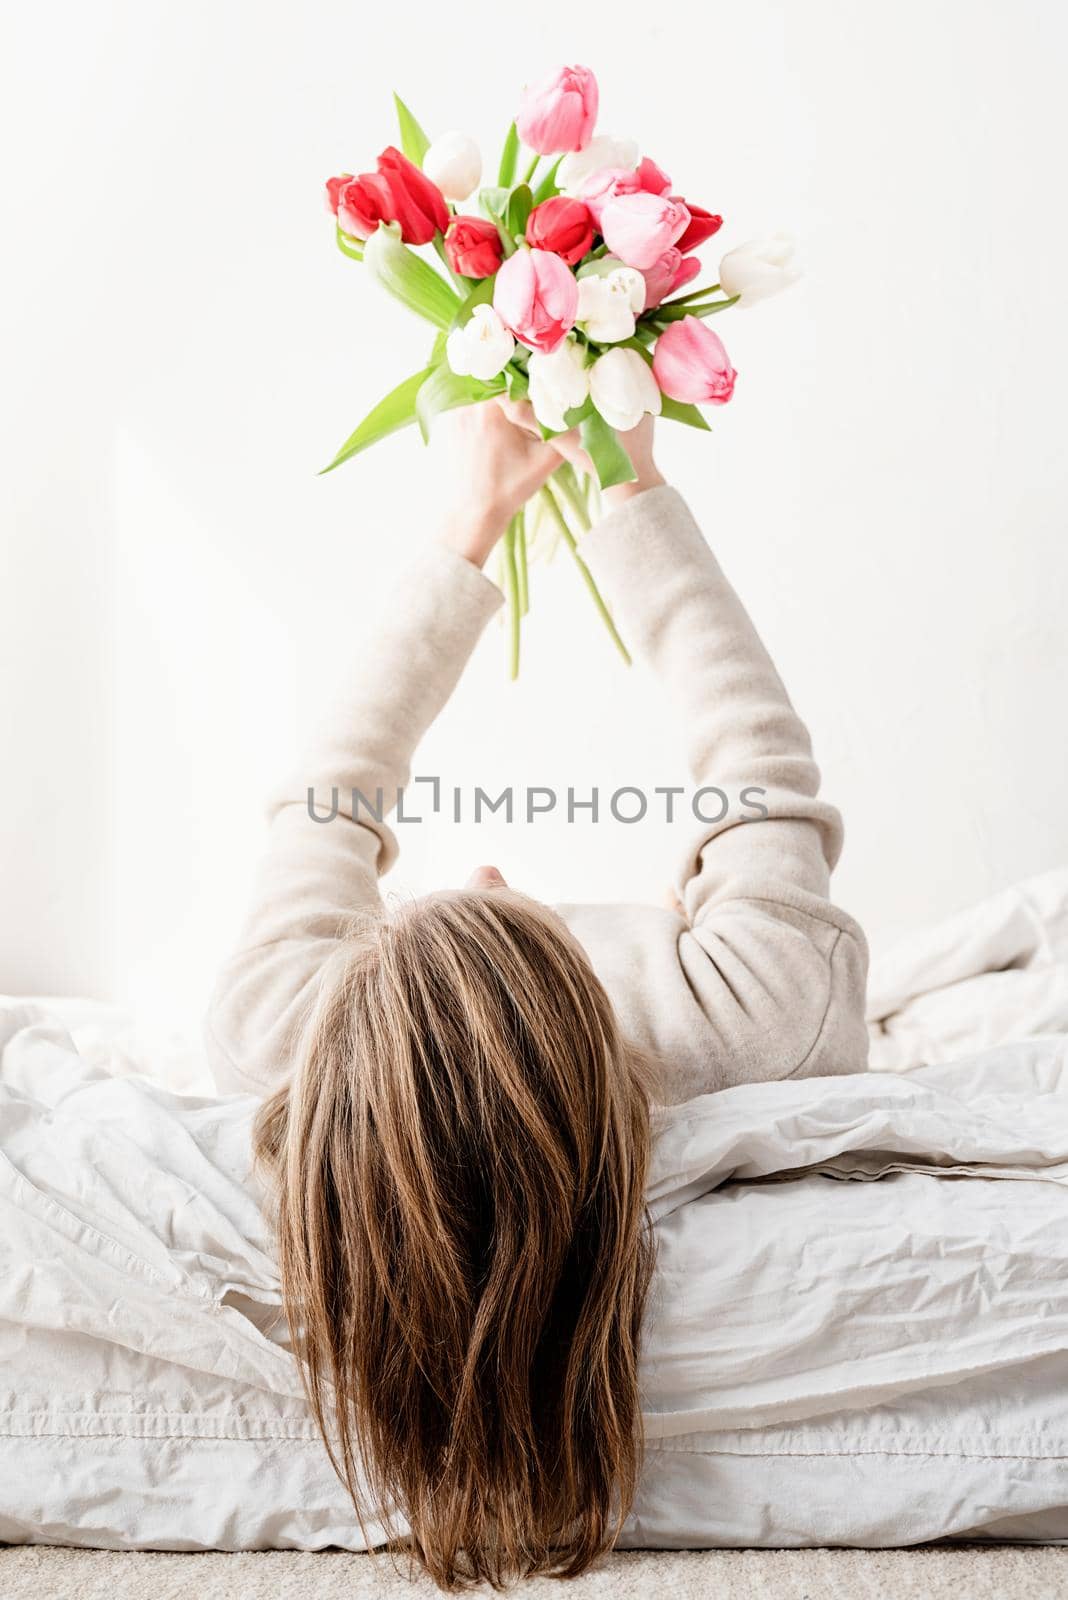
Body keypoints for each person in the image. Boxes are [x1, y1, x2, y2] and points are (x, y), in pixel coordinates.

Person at [205, 402, 868, 1589]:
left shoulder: (287, 1037)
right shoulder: (749, 1009)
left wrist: (472, 523)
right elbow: (760, 765)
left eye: (459, 903)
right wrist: (630, 485)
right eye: (511, 912)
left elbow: (329, 799)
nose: (493, 869)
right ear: (578, 988)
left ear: (367, 991)